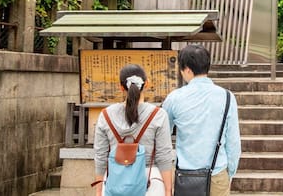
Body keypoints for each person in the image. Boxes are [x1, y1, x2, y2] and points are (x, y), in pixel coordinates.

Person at [162, 44, 241, 195]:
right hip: (217, 173)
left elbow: (163, 135)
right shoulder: (227, 97)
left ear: (187, 70)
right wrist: (229, 172)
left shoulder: (174, 98)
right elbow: (233, 142)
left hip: (185, 176)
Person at [93, 64, 174, 196]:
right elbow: (164, 155)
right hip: (150, 181)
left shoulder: (106, 115)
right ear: (146, 84)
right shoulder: (158, 115)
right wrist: (168, 190)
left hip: (115, 182)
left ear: (121, 87)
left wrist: (98, 190)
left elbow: (100, 157)